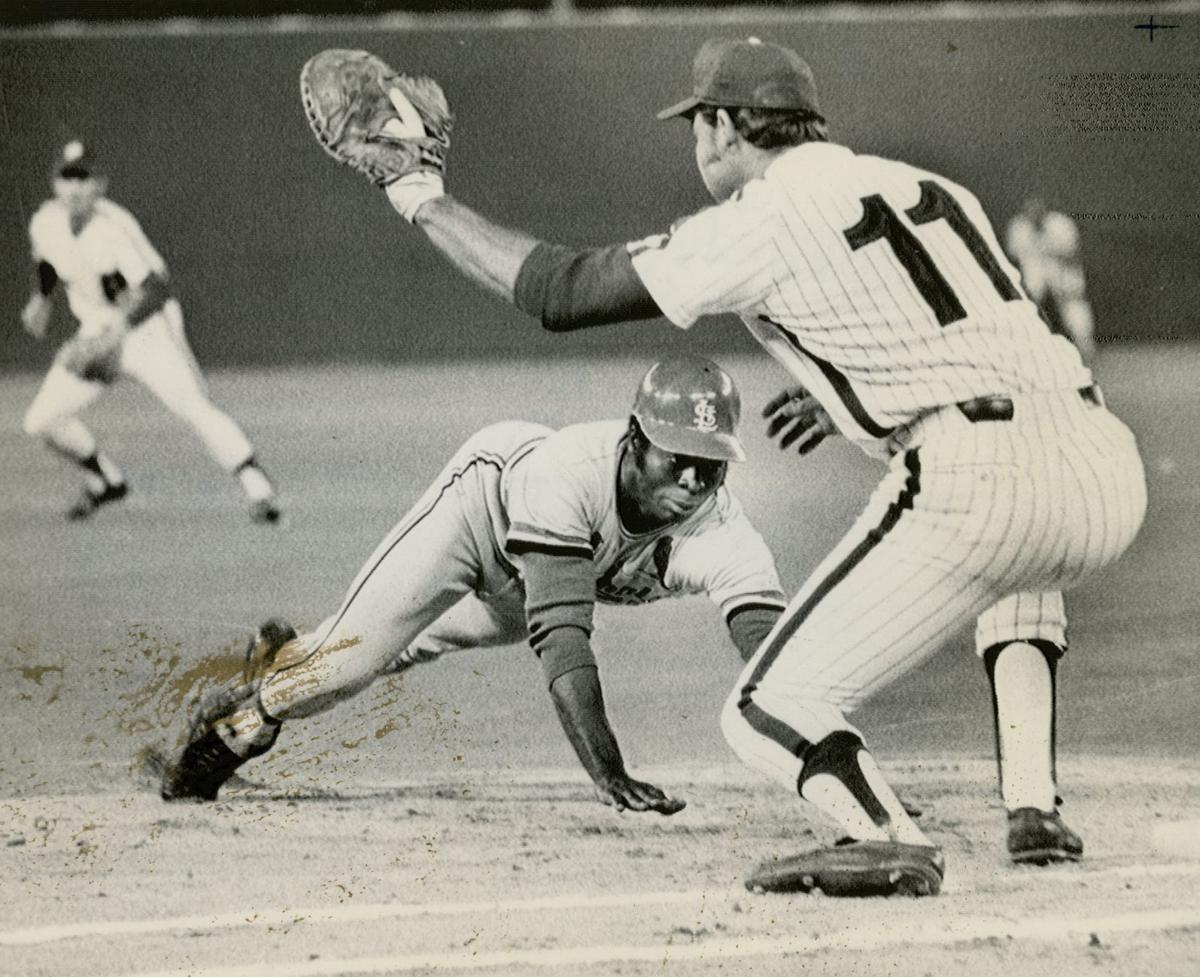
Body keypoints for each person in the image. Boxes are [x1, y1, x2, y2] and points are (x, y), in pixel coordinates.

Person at [358, 36, 1147, 895]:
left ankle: (886, 835)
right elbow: (968, 334)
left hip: (977, 474)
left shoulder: (760, 217)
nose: (700, 142)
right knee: (1026, 558)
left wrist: (417, 194)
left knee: (762, 708)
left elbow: (559, 290)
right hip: (1101, 458)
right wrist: (852, 392)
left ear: (727, 128)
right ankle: (1032, 804)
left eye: (701, 123)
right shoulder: (932, 186)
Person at [158, 356, 788, 815]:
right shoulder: (572, 474)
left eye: (710, 463)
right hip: (478, 513)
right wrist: (608, 771)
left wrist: (807, 731)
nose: (691, 479)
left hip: (534, 582)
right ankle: (236, 725)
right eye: (675, 454)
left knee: (394, 650)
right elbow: (563, 639)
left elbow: (776, 654)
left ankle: (289, 655)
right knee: (349, 665)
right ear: (635, 437)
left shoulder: (724, 532)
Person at [19, 140, 282, 523]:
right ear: (55, 183)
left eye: (83, 178)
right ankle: (106, 480)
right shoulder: (44, 223)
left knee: (192, 406)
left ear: (100, 185)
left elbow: (156, 289)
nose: (74, 188)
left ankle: (258, 487)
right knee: (40, 420)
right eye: (66, 178)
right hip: (96, 329)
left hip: (145, 328)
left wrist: (116, 334)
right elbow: (47, 262)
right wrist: (41, 299)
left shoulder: (114, 227)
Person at [1005, 196, 1097, 363]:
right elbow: (1014, 257)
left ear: (1045, 212)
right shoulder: (1018, 227)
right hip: (1034, 268)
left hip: (1060, 267)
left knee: (1074, 305)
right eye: (1030, 214)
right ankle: (1026, 351)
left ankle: (1086, 349)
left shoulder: (1061, 224)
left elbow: (1072, 254)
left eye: (1038, 213)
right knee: (1027, 304)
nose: (1035, 217)